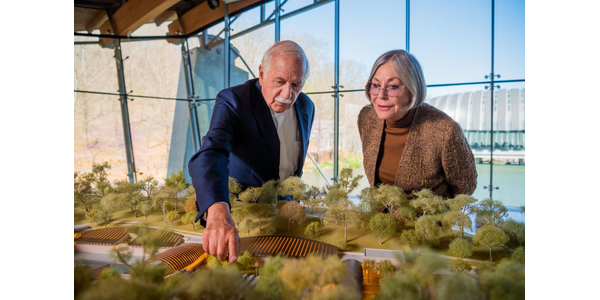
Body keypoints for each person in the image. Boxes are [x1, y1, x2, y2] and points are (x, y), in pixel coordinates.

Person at [188, 40, 315, 264]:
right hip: (242, 218)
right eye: (280, 81)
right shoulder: (233, 100)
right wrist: (217, 211)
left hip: (286, 215)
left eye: (296, 85)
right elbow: (212, 152)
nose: (287, 94)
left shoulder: (306, 106)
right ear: (261, 73)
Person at [358, 50, 477, 198]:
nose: (381, 95)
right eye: (375, 84)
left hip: (427, 218)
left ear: (412, 90)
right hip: (379, 218)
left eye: (393, 86)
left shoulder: (445, 130)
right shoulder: (367, 118)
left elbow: (465, 187)